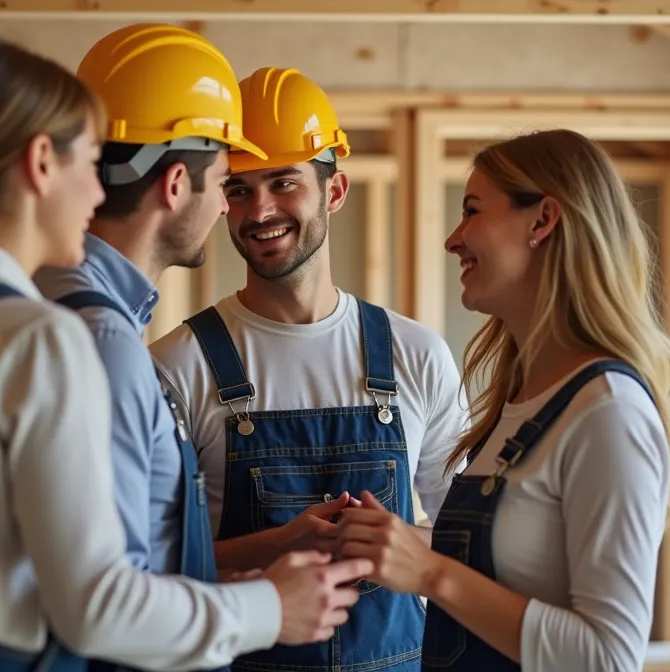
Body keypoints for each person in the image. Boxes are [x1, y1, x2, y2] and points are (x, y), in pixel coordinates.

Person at [0, 36, 373, 672]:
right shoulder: (39, 341)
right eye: (89, 160)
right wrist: (268, 608)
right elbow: (94, 608)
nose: (98, 192)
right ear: (43, 163)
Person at [34, 23, 336, 672]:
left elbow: (122, 556)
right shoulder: (105, 343)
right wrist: (266, 605)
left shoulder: (76, 314)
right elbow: (99, 606)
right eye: (228, 180)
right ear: (176, 185)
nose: (243, 208)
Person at [149, 66, 469, 672]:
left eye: (283, 182)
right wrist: (280, 544)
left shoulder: (417, 355)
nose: (259, 210)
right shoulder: (176, 366)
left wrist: (391, 546)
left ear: (335, 190)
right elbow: (154, 564)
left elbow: (473, 541)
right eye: (238, 189)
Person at [335, 128, 670, 672]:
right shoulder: (522, 404)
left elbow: (608, 657)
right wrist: (398, 543)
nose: (453, 239)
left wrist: (430, 573)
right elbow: (520, 561)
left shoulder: (608, 413)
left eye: (472, 211)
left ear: (542, 220)